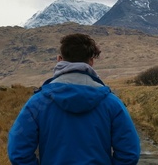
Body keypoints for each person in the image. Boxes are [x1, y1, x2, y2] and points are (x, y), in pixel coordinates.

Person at [8, 33, 140, 165]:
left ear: (59, 59)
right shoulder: (112, 103)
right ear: (91, 62)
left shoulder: (37, 103)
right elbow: (129, 153)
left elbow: (18, 153)